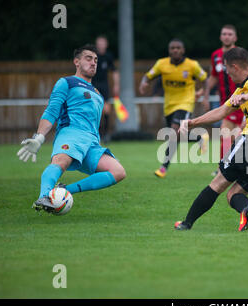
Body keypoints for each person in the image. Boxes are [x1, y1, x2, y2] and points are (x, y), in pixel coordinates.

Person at [174, 47, 248, 231]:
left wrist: (245, 97)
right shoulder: (241, 90)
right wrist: (194, 122)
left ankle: (186, 223)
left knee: (218, 183)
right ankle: (246, 210)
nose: (226, 73)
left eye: (227, 69)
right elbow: (221, 111)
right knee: (233, 194)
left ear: (234, 67)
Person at [17, 44, 126, 213]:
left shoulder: (97, 93)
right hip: (71, 134)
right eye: (88, 58)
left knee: (118, 172)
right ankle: (44, 197)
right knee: (61, 162)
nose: (93, 63)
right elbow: (52, 111)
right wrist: (39, 137)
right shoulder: (67, 82)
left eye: (96, 60)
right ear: (77, 62)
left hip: (92, 143)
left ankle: (64, 191)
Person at [139, 39, 208, 178]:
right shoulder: (161, 64)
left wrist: (204, 95)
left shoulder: (192, 65)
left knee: (173, 133)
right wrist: (143, 83)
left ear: (183, 50)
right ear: (169, 50)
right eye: (172, 48)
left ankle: (163, 168)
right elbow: (148, 76)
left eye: (178, 48)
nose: (175, 50)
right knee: (176, 136)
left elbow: (205, 78)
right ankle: (200, 138)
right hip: (169, 105)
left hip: (186, 103)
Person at [202, 25, 248, 173]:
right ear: (220, 37)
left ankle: (238, 166)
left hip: (243, 103)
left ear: (235, 38)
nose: (226, 36)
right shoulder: (216, 55)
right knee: (225, 136)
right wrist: (206, 95)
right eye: (224, 34)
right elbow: (213, 76)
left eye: (230, 34)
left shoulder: (241, 55)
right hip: (227, 104)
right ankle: (223, 169)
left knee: (239, 138)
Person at [92, 35, 120, 143]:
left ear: (106, 45)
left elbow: (114, 71)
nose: (101, 45)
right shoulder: (93, 56)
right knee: (95, 111)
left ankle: (106, 134)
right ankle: (97, 134)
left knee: (106, 110)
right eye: (99, 43)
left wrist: (116, 85)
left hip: (104, 86)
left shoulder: (108, 56)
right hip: (93, 86)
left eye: (103, 43)